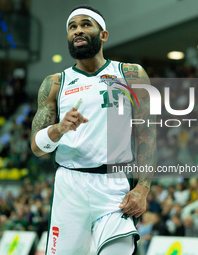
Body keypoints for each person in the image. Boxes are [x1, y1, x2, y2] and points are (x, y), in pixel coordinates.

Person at [30, 5, 156, 255]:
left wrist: (143, 187)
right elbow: (36, 147)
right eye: (72, 27)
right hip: (70, 186)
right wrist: (58, 129)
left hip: (114, 185)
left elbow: (147, 135)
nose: (78, 30)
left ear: (103, 34)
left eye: (86, 24)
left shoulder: (130, 74)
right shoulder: (55, 83)